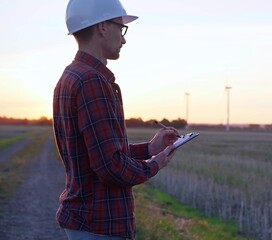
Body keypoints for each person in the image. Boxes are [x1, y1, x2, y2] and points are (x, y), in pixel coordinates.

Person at [53, 0, 179, 239]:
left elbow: (98, 153)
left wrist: (150, 148)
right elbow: (111, 167)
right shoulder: (92, 81)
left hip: (85, 220)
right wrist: (156, 163)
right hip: (100, 223)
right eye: (120, 28)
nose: (123, 39)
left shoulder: (71, 76)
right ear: (102, 27)